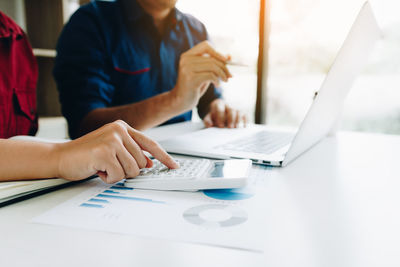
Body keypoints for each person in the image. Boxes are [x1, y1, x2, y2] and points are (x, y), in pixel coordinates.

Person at [0, 10, 178, 184]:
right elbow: (84, 121)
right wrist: (60, 156)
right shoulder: (90, 22)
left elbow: (19, 139)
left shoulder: (15, 38)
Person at [54, 0, 247, 139]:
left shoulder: (196, 30)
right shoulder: (90, 22)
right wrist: (174, 101)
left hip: (186, 160)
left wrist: (218, 108)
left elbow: (209, 98)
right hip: (114, 169)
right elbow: (85, 126)